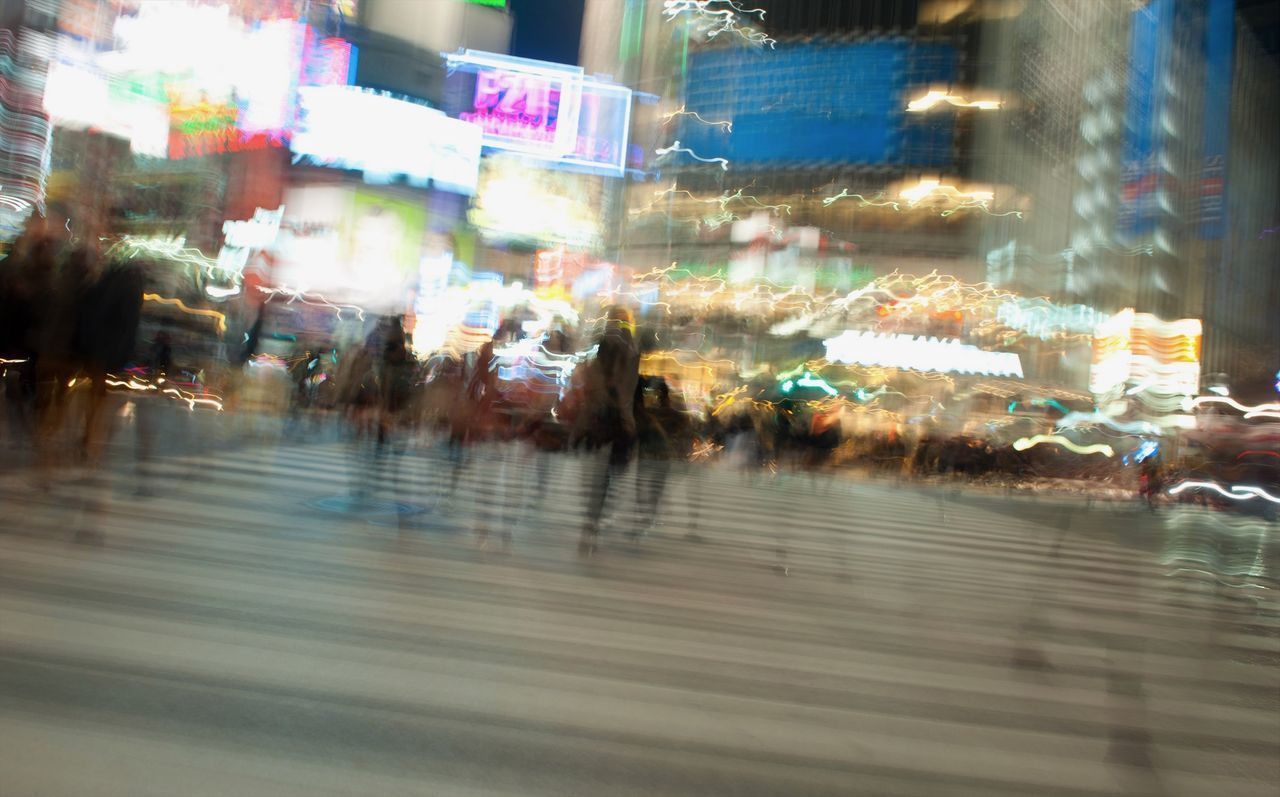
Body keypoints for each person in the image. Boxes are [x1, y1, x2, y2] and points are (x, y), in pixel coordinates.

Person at [576, 306, 640, 556]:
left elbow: (593, 382)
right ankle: (595, 522)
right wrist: (627, 417)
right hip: (614, 420)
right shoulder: (631, 348)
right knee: (607, 477)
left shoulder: (602, 344)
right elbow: (626, 388)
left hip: (597, 419)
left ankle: (591, 523)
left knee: (596, 477)